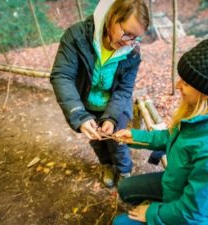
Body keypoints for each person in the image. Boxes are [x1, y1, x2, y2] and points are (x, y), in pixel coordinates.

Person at [112, 15, 208, 225]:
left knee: (119, 224)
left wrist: (154, 213)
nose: (177, 86)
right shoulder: (199, 114)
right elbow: (171, 137)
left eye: (187, 83)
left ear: (207, 92)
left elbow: (194, 213)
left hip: (189, 214)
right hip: (175, 185)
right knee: (125, 188)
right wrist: (134, 136)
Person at [50, 0, 149, 188]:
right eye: (127, 33)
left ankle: (124, 171)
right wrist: (78, 114)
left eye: (135, 37)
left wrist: (111, 118)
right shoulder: (76, 36)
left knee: (118, 142)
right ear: (112, 17)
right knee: (97, 142)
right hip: (86, 105)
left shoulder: (132, 53)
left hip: (115, 106)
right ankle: (106, 165)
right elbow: (62, 75)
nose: (129, 42)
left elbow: (124, 90)